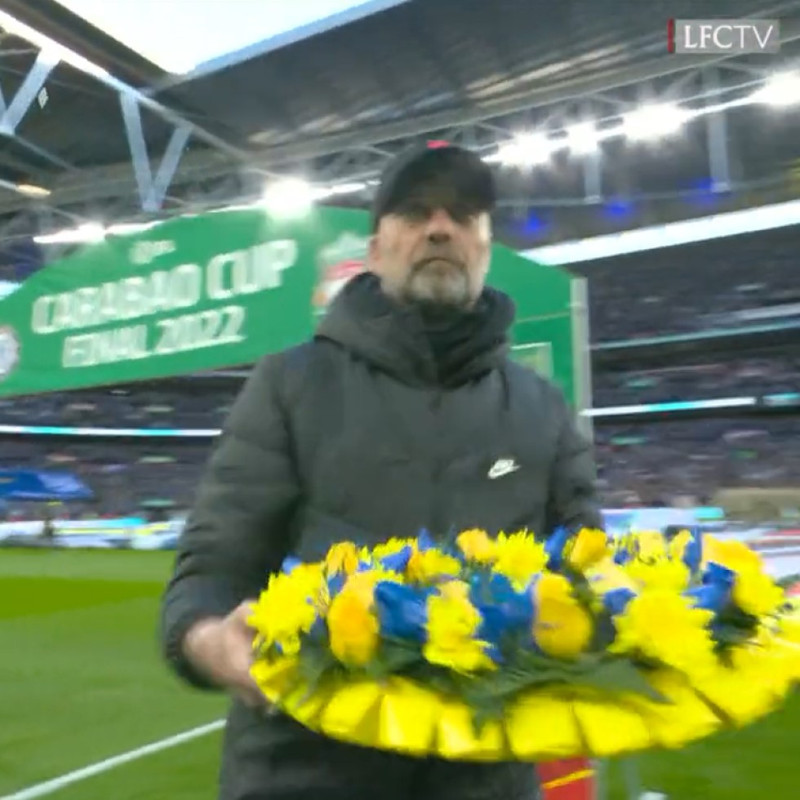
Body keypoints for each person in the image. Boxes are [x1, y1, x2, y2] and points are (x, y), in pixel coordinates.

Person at [161, 143, 602, 800]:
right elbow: (214, 566)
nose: (440, 227)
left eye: (463, 214)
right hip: (304, 772)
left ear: (485, 245)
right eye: (414, 211)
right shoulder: (291, 384)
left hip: (488, 777)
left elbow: (589, 568)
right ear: (374, 249)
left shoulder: (541, 406)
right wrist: (209, 640)